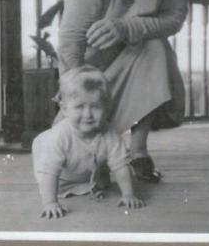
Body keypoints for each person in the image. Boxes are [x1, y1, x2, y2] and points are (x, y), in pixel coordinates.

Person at [57, 0, 190, 182]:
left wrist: (126, 28)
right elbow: (71, 38)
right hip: (91, 73)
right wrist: (76, 95)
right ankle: (99, 147)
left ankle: (138, 151)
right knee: (71, 168)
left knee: (154, 44)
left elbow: (175, 17)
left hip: (140, 59)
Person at [33, 65, 145, 219]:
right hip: (57, 174)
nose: (88, 114)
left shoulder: (109, 132)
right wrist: (50, 203)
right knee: (52, 180)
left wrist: (128, 194)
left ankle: (90, 178)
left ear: (107, 109)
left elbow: (120, 165)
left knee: (107, 175)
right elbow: (50, 173)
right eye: (79, 107)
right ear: (64, 109)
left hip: (85, 165)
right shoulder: (59, 136)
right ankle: (78, 183)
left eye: (96, 107)